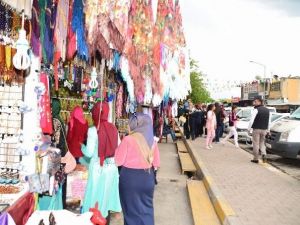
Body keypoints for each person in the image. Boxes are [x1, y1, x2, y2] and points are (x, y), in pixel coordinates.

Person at [115, 113, 160, 225]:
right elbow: (156, 163)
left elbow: (118, 161)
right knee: (146, 211)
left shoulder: (128, 139)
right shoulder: (152, 141)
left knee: (130, 212)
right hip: (147, 179)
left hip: (130, 180)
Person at [81, 102, 121, 223]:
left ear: (95, 113)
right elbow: (118, 147)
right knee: (105, 200)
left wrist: (82, 146)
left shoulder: (93, 130)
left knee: (94, 200)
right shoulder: (114, 128)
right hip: (111, 169)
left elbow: (88, 153)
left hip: (98, 170)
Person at [248, 96, 271, 163]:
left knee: (256, 144)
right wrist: (268, 130)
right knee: (262, 143)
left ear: (259, 102)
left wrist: (248, 129)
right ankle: (264, 154)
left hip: (256, 129)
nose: (254, 102)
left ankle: (255, 159)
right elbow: (269, 121)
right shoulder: (267, 110)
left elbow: (251, 121)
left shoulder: (256, 110)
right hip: (264, 130)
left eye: (255, 101)